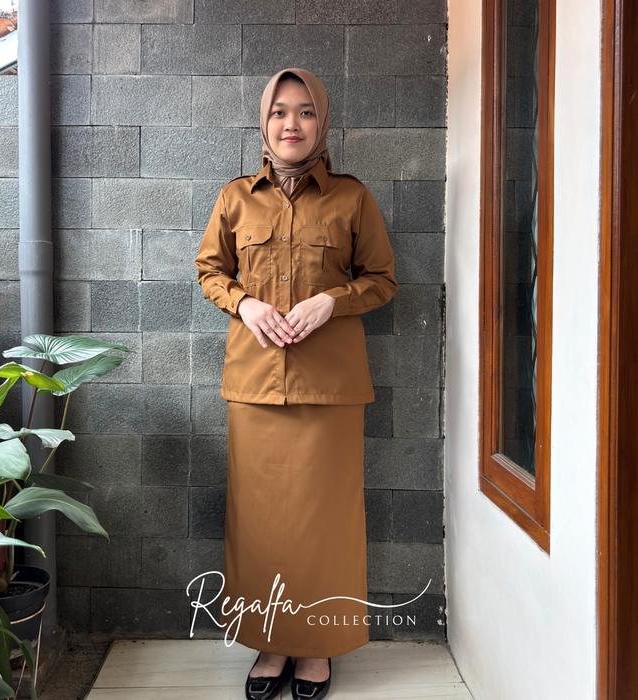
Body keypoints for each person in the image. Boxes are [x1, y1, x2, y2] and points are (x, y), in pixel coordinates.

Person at [194, 67, 398, 700]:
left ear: (322, 121)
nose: (292, 123)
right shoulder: (235, 198)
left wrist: (334, 300)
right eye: (280, 111)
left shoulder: (352, 198)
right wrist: (245, 303)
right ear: (264, 121)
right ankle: (270, 642)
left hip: (330, 389)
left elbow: (383, 279)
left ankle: (316, 646)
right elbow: (209, 270)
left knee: (324, 523)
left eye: (306, 111)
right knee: (258, 523)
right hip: (255, 387)